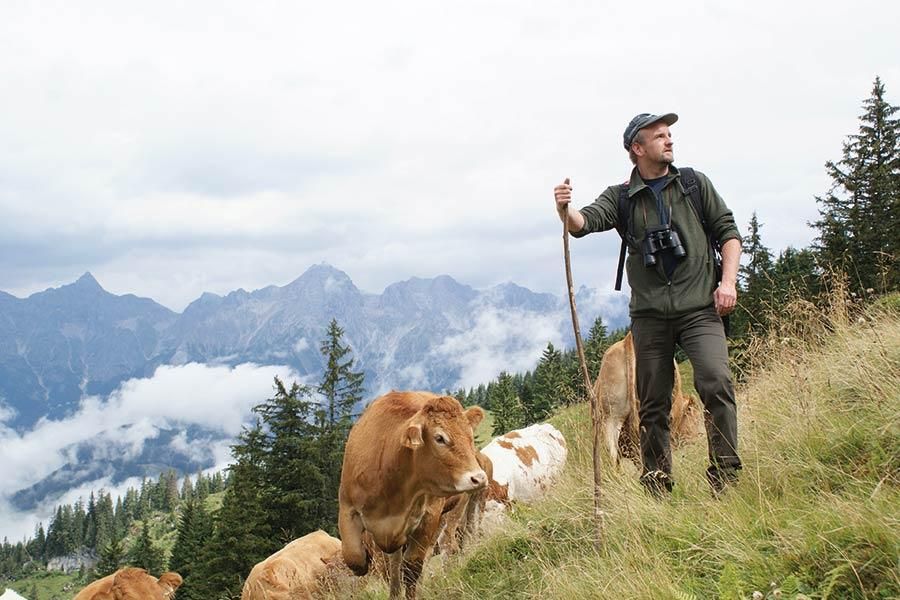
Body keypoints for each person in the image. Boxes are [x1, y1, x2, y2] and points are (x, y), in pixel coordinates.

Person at [553, 112, 742, 496]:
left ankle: (726, 475)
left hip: (699, 308)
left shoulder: (693, 184)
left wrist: (727, 283)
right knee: (651, 404)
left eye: (669, 134)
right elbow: (583, 223)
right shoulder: (622, 197)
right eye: (659, 136)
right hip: (650, 316)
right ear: (637, 149)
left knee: (715, 381)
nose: (669, 140)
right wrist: (564, 209)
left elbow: (728, 232)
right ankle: (657, 483)